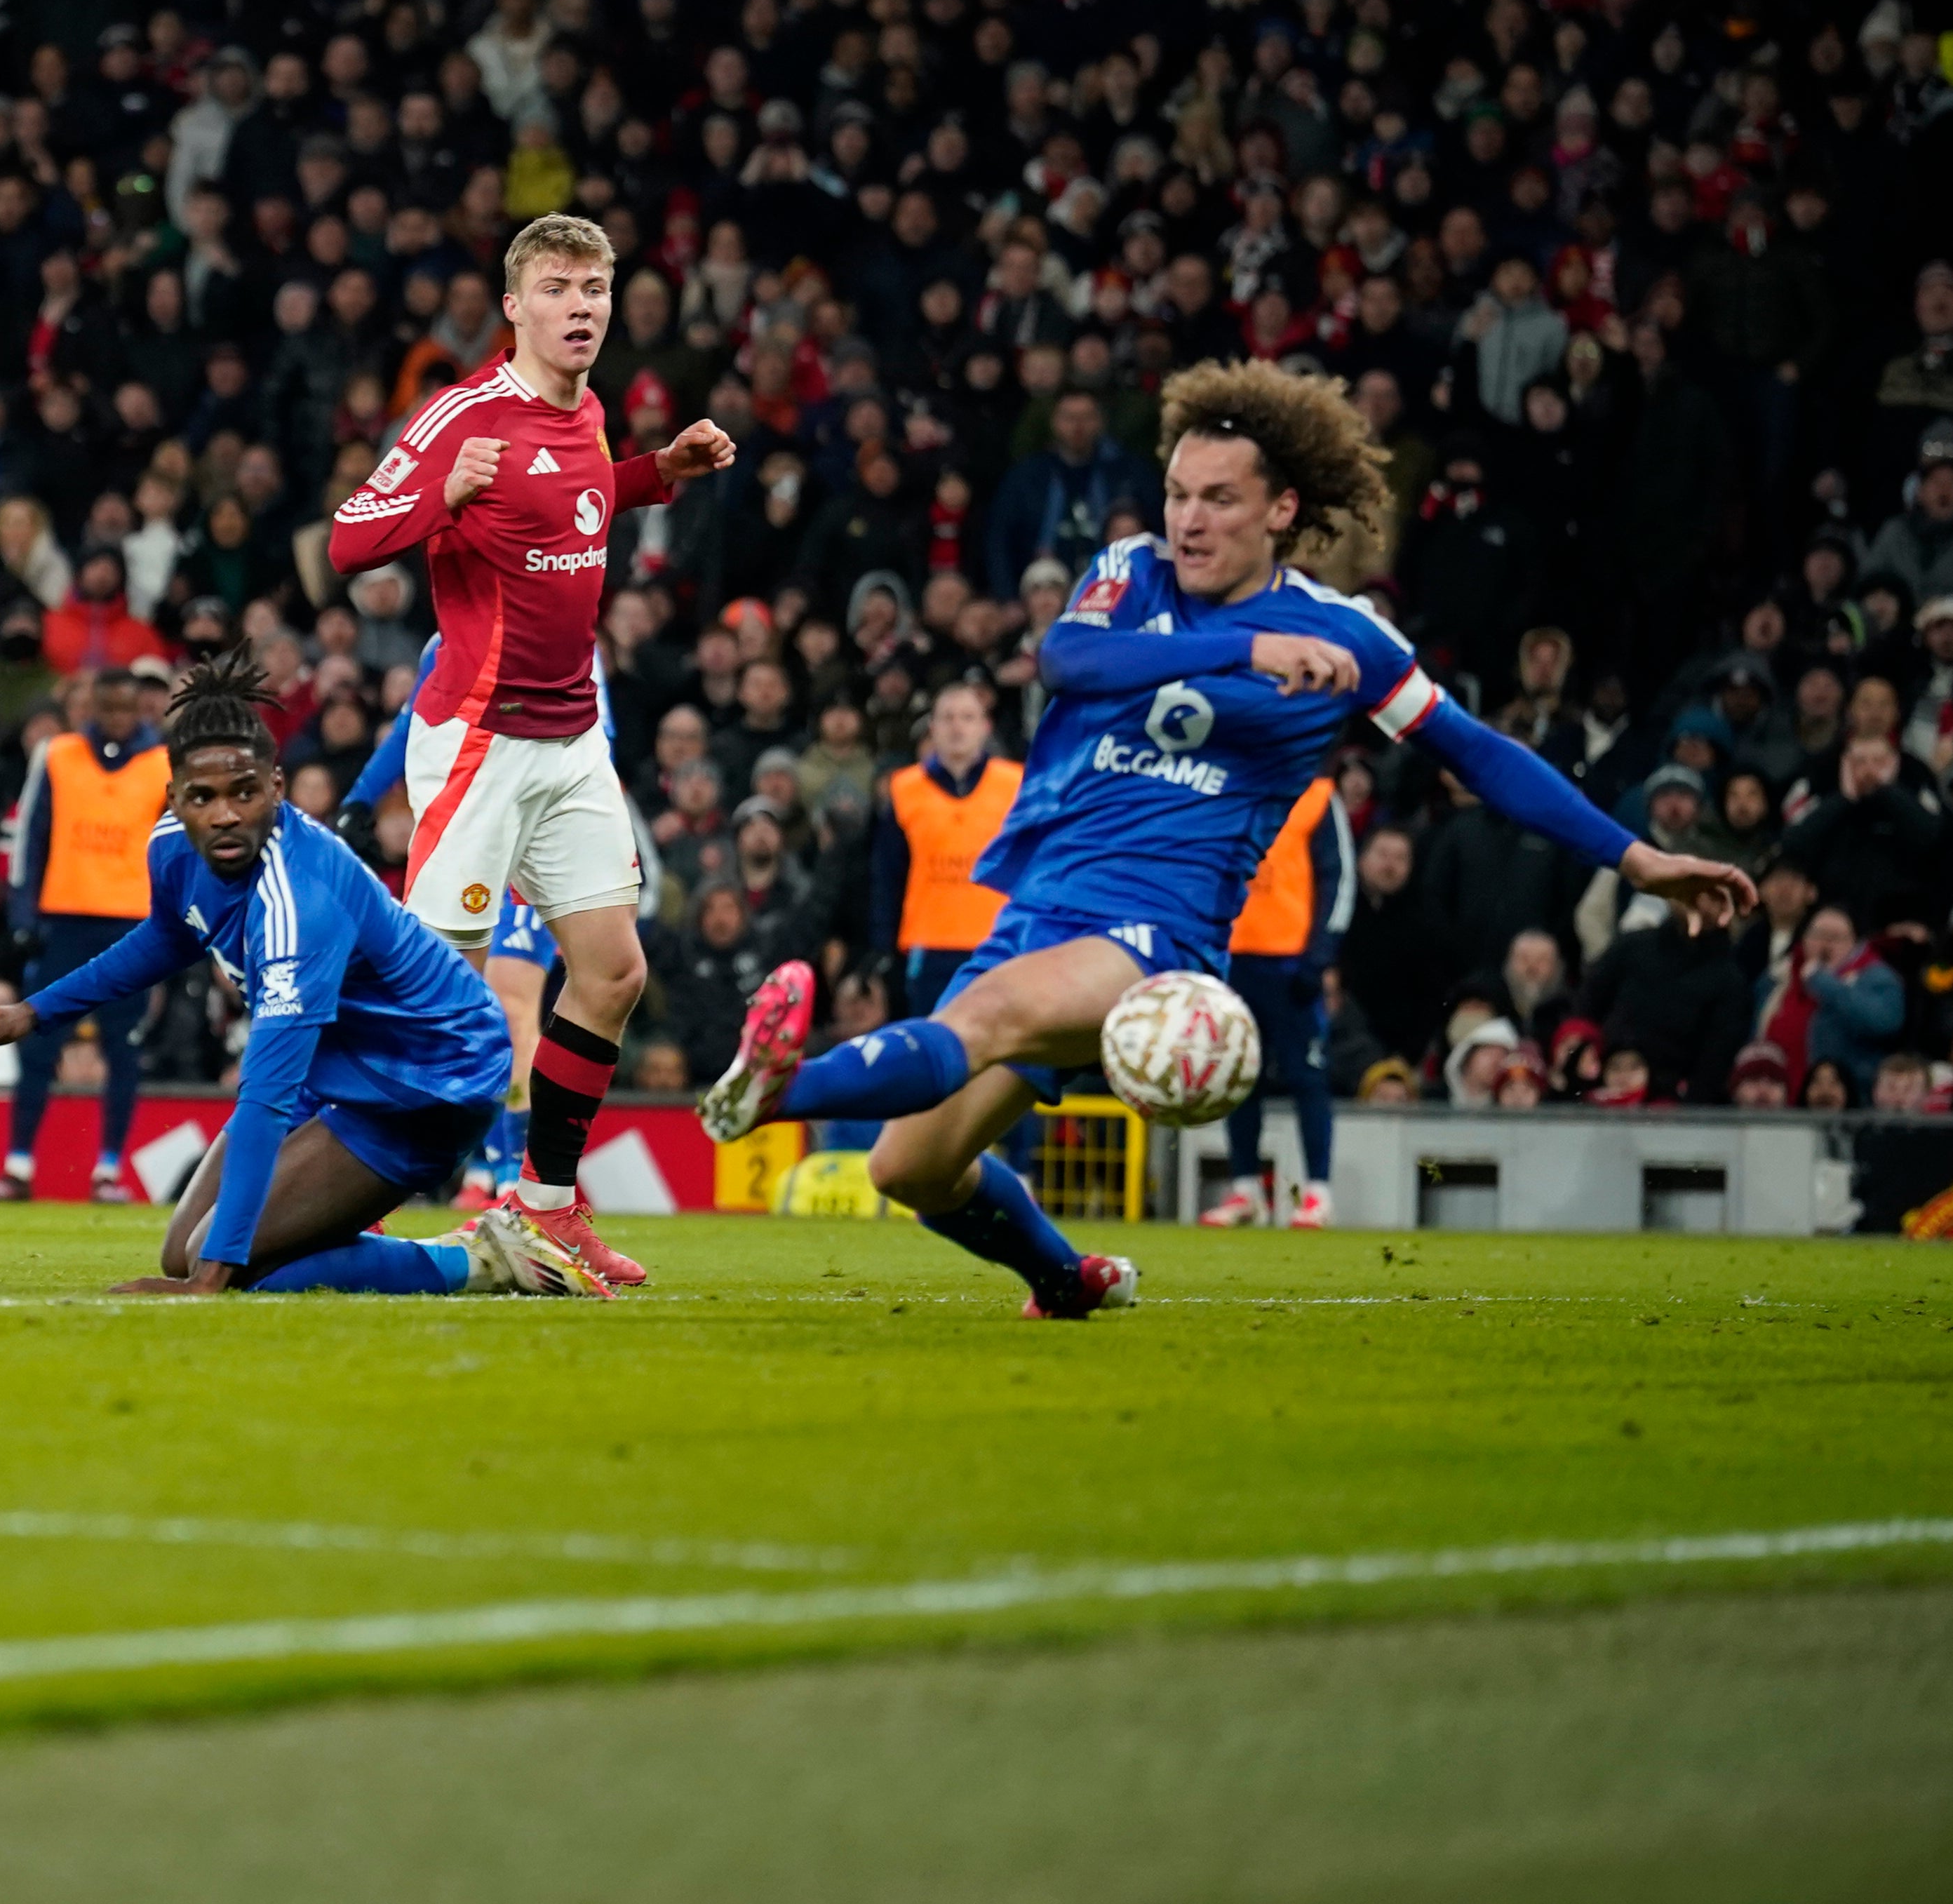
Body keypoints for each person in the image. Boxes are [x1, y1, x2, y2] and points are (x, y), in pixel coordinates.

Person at [705, 363, 1754, 1315]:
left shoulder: (1346, 635)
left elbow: (1478, 754)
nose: (1188, 520)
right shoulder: (1134, 572)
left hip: (1154, 936)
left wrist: (1637, 858)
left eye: (1217, 499)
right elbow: (1068, 662)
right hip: (1037, 911)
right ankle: (1063, 1279)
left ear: (1280, 508)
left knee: (981, 1019)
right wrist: (1243, 650)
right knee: (909, 1170)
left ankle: (774, 1089)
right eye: (1176, 494)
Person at [323, 211, 736, 1284]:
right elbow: (347, 540)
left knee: (612, 971)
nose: (580, 307)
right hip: (479, 742)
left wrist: (659, 470)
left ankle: (546, 1207)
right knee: (445, 1008)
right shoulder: (462, 414)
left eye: (594, 288)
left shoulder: (587, 411)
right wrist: (440, 496)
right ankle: (331, 1199)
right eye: (557, 288)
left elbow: (575, 499)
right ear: (514, 307)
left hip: (570, 737)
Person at [0, 655, 605, 1299]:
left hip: (428, 1080)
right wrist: (33, 1012)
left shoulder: (296, 903)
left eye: (244, 792)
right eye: (203, 797)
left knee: (230, 1263)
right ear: (174, 798)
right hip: (342, 1058)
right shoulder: (171, 846)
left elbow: (268, 1096)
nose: (224, 814)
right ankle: (327, 1228)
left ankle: (486, 1258)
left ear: (276, 788)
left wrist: (211, 1280)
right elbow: (166, 937)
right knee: (183, 1251)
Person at [340, 624, 631, 1200]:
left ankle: (515, 1178)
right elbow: (409, 727)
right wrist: (358, 802)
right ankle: (479, 1167)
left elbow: (595, 746)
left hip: (537, 843)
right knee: (455, 1005)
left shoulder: (565, 635)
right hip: (470, 839)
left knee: (512, 1002)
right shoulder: (444, 643)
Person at [0, 668, 170, 1202]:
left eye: (126, 708)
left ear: (141, 710)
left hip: (133, 925)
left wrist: (171, 921)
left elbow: (175, 849)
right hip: (63, 920)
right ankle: (18, 1166)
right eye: (108, 707)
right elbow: (30, 836)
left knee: (122, 1050)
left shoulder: (163, 764)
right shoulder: (58, 754)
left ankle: (108, 1171)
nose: (117, 718)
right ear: (91, 707)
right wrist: (24, 917)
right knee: (38, 1041)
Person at [1197, 775, 1354, 1228]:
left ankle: (1318, 1191)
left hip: (1290, 961)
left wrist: (1320, 955)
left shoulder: (1318, 795)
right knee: (1237, 1077)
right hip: (1233, 956)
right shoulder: (1226, 785)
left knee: (1307, 1076)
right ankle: (1246, 1188)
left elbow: (1338, 878)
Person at [871, 678, 1021, 1019]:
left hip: (999, 941)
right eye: (948, 718)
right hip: (929, 945)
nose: (957, 727)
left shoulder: (1016, 784)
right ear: (933, 728)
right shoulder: (904, 789)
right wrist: (882, 947)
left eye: (967, 717)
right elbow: (887, 876)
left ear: (985, 727)